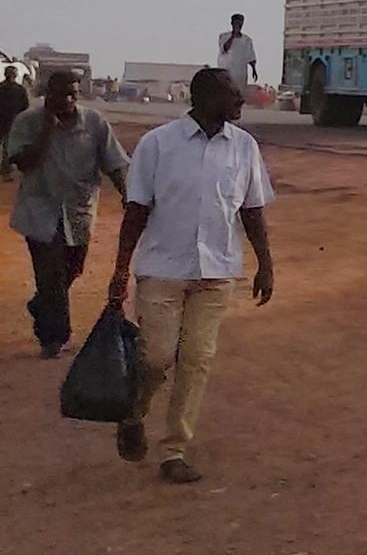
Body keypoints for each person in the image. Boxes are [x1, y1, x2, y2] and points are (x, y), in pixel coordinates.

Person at [108, 67, 275, 484]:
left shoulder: (244, 147)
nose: (240, 101)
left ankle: (174, 450)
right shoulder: (158, 145)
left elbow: (252, 211)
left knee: (197, 360)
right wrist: (119, 270)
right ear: (202, 99)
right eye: (232, 95)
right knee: (156, 357)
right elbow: (136, 211)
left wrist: (265, 263)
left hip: (217, 272)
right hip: (162, 269)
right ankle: (134, 413)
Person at [5, 70, 129, 358]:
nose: (69, 100)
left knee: (73, 270)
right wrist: (48, 129)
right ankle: (54, 337)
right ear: (48, 94)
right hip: (39, 211)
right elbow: (23, 162)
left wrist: (127, 194)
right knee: (51, 274)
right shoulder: (28, 121)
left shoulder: (95, 123)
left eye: (73, 93)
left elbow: (113, 163)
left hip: (79, 211)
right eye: (62, 94)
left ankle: (41, 305)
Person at [0, 65, 28, 182]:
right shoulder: (20, 89)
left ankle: (5, 171)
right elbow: (25, 106)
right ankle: (5, 172)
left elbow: (24, 107)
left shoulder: (1, 88)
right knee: (7, 148)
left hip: (7, 121)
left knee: (7, 147)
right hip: (10, 121)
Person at [216, 14, 257, 91]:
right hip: (225, 73)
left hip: (240, 74)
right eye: (236, 23)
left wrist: (254, 70)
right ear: (232, 23)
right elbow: (225, 48)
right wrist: (233, 36)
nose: (239, 25)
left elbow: (251, 57)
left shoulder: (247, 40)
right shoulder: (223, 36)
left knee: (239, 94)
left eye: (240, 24)